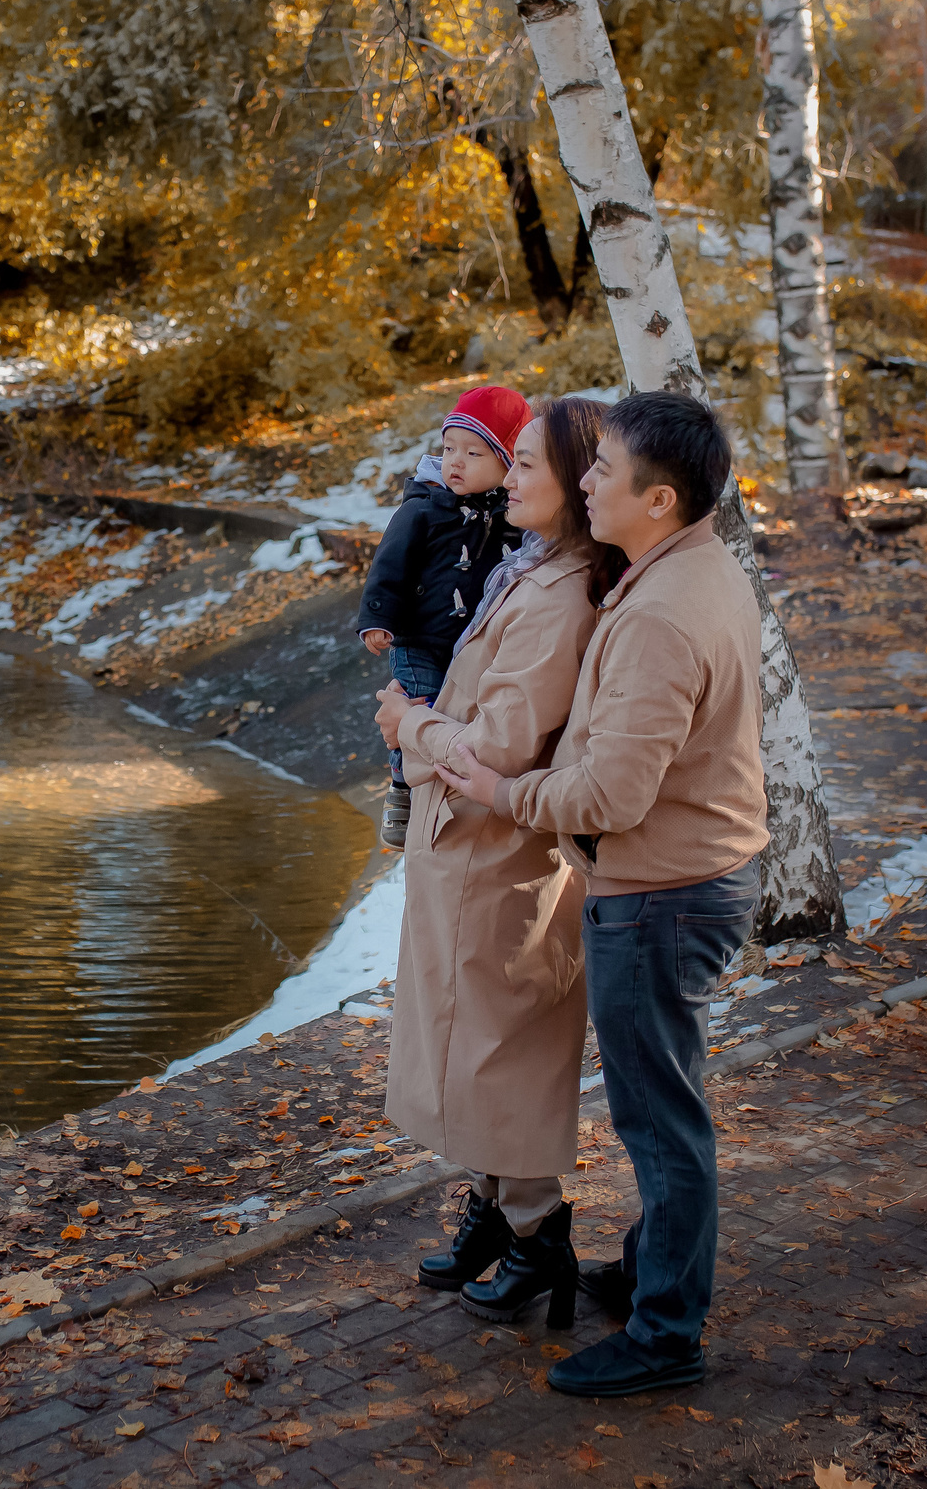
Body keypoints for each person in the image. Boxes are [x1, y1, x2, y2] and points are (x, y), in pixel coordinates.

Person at [434, 390, 765, 1399]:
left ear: (656, 499)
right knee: (662, 1115)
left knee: (661, 1126)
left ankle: (667, 1333)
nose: (583, 479)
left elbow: (612, 793)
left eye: (600, 466)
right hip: (673, 881)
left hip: (662, 895)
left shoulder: (663, 612)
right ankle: (654, 1276)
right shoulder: (689, 569)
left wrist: (499, 789)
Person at [374, 398, 623, 1330]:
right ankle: (498, 1210)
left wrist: (413, 725)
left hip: (498, 855)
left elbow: (507, 745)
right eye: (507, 462)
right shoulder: (530, 563)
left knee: (490, 1056)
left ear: (577, 483)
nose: (507, 477)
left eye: (526, 466)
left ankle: (536, 1230)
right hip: (465, 849)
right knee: (459, 1047)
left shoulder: (558, 594)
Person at [356, 385, 534, 849]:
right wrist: (378, 617)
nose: (455, 461)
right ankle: (402, 790)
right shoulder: (424, 506)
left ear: (507, 462)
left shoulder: (513, 515)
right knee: (419, 706)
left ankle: (457, 786)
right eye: (448, 448)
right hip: (419, 637)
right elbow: (389, 565)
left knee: (458, 714)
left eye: (473, 452)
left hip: (475, 642)